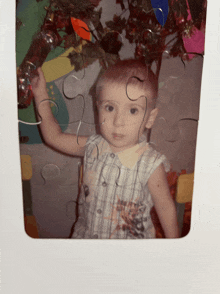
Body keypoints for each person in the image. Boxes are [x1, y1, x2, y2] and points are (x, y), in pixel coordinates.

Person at [31, 59, 179, 239]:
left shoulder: (151, 164)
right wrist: (40, 96)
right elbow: (53, 137)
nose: (118, 122)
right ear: (97, 108)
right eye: (110, 108)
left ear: (150, 117)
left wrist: (174, 250)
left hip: (131, 255)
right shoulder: (92, 146)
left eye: (133, 110)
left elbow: (166, 209)